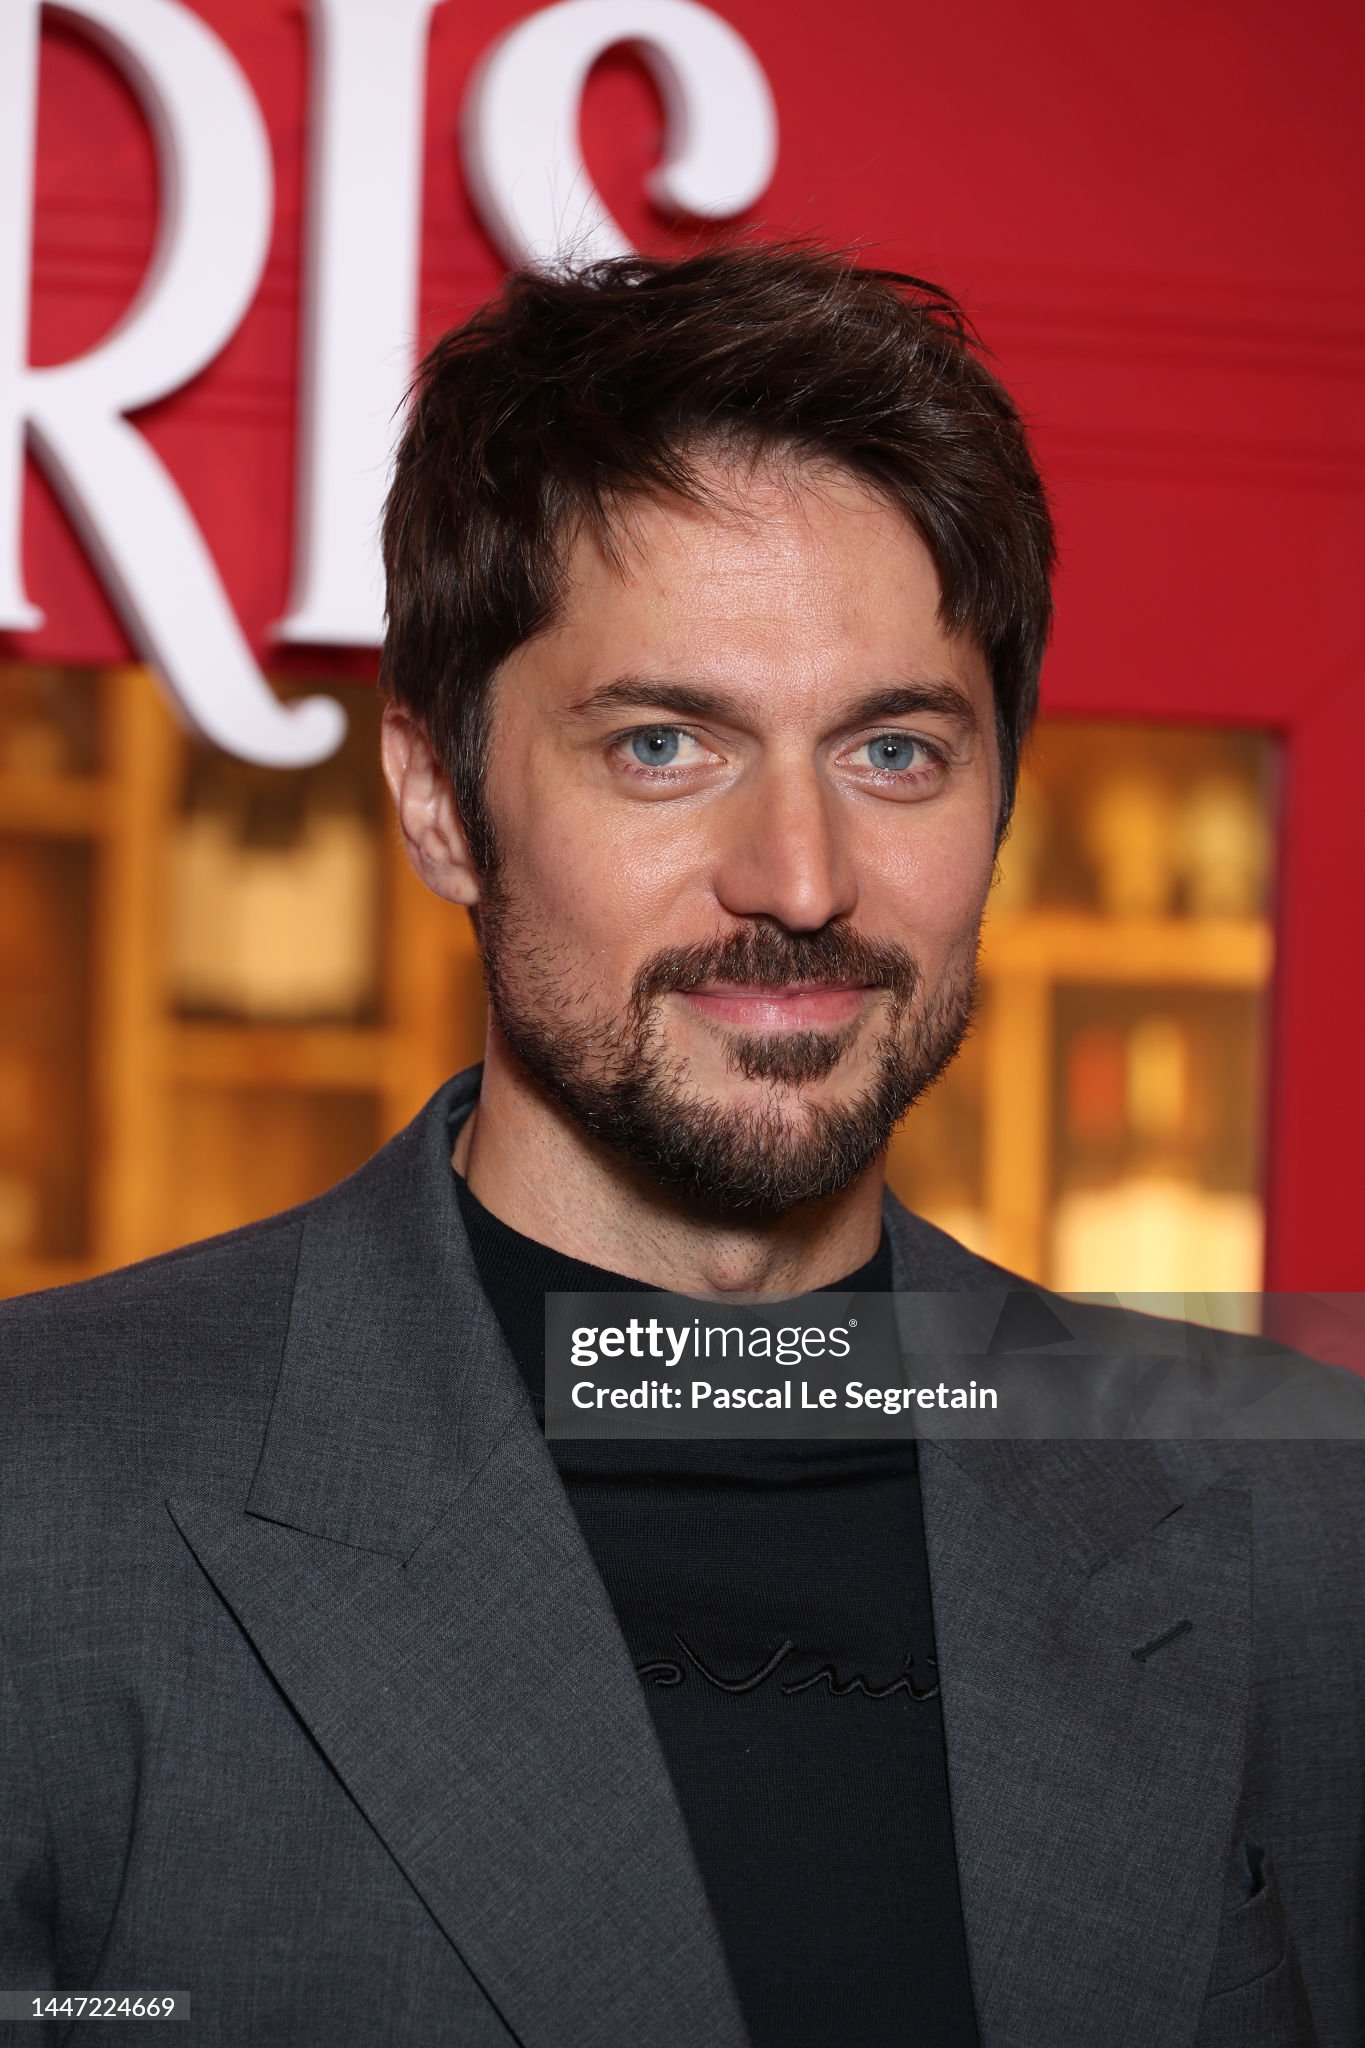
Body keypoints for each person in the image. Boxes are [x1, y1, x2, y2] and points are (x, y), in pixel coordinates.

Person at [2, 244, 1362, 2048]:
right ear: (437, 798)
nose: (796, 881)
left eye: (893, 753)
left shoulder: (1296, 1524)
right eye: (662, 744)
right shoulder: (45, 1497)